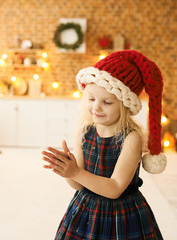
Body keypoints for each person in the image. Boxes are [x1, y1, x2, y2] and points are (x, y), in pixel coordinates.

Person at [42, 50, 167, 240]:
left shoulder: (131, 139)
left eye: (107, 102)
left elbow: (115, 188)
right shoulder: (84, 133)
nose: (96, 107)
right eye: (91, 99)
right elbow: (78, 185)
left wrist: (76, 172)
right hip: (86, 209)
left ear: (124, 105)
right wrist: (68, 171)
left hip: (121, 215)